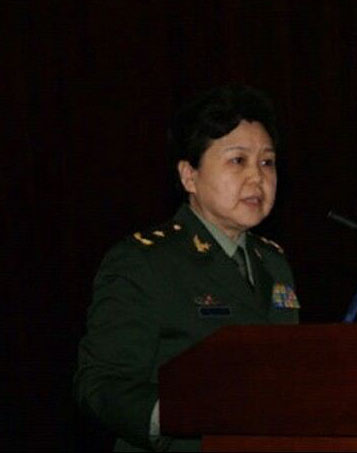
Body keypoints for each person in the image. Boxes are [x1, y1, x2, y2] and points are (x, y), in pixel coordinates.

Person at [74, 85, 300, 452]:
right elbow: (101, 384)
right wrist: (181, 414)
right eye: (237, 161)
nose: (257, 178)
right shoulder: (145, 262)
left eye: (267, 162)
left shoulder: (273, 262)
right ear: (189, 176)